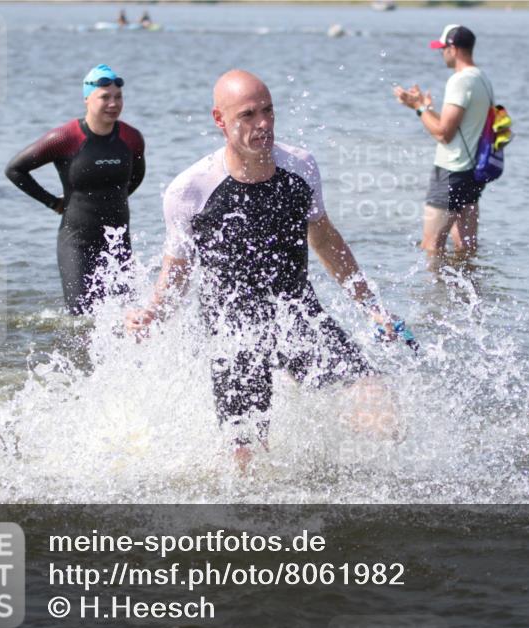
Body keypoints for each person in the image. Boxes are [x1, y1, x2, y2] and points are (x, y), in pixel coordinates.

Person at [125, 70, 407, 471]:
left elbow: (325, 239)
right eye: (248, 115)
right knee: (248, 460)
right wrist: (153, 312)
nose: (263, 125)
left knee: (379, 406)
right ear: (220, 121)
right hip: (233, 330)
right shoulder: (190, 190)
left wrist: (370, 306)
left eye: (269, 111)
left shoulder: (301, 168)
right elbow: (178, 268)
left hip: (296, 313)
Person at [5, 64, 145, 315]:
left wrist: (114, 198)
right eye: (105, 97)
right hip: (77, 242)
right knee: (82, 319)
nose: (113, 103)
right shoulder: (65, 138)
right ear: (87, 99)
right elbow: (15, 170)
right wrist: (52, 202)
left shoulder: (132, 138)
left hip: (117, 242)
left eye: (118, 97)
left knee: (127, 316)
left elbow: (137, 176)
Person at [394, 25, 494, 257]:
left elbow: (443, 134)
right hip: (471, 172)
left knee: (431, 247)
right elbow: (458, 128)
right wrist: (426, 108)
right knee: (465, 249)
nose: (441, 53)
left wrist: (418, 108)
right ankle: (468, 292)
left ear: (453, 48)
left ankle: (435, 294)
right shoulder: (482, 78)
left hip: (451, 170)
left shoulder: (460, 81)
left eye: (442, 49)